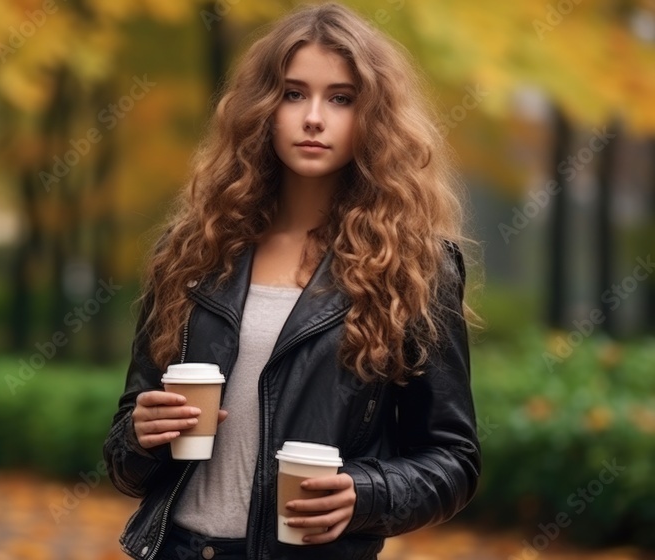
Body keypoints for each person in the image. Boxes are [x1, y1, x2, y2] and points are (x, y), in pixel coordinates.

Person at [102, 3, 481, 559]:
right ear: (262, 109)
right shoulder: (193, 252)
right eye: (293, 93)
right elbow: (124, 458)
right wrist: (139, 434)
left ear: (373, 117)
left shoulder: (415, 268)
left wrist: (364, 494)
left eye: (341, 98)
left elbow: (452, 458)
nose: (313, 117)